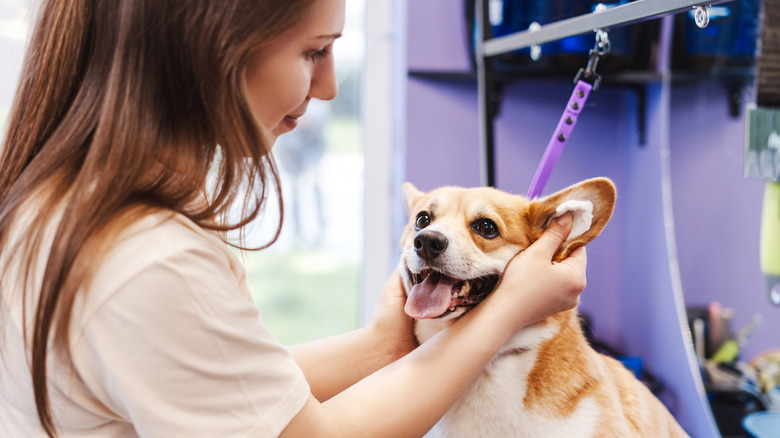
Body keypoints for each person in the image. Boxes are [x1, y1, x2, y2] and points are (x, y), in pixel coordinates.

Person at [0, 0, 588, 437]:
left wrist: (383, 344)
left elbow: (233, 392)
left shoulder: (61, 209)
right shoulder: (150, 263)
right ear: (211, 44)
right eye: (314, 52)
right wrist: (509, 308)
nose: (329, 88)